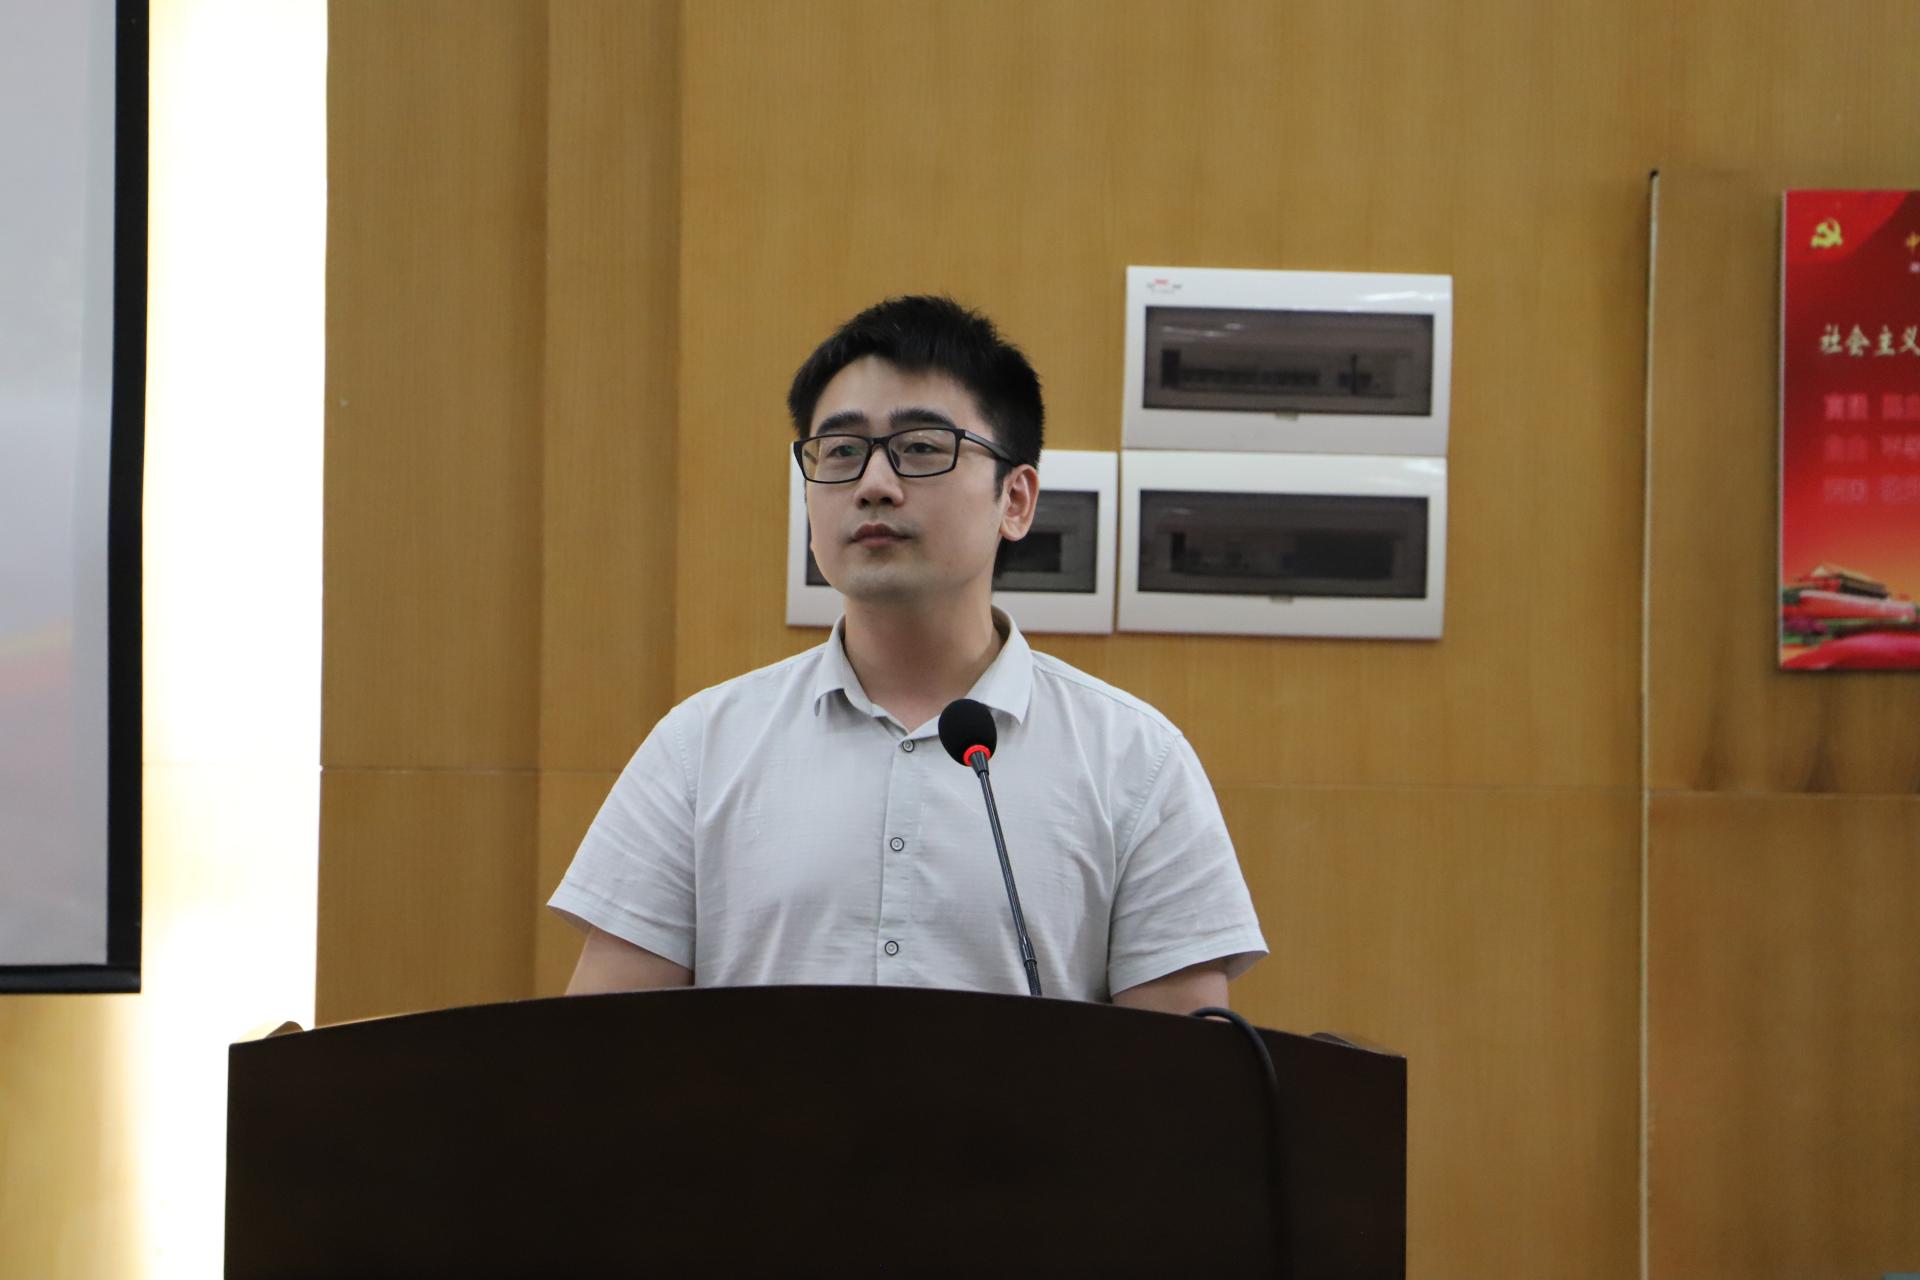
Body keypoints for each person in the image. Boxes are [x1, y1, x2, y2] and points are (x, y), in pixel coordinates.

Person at [550, 296, 1266, 1013]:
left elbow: (1181, 1072)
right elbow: (599, 1051)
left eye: (922, 448)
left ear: (1016, 501)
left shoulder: (1135, 760)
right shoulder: (700, 747)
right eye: (840, 452)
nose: (874, 486)